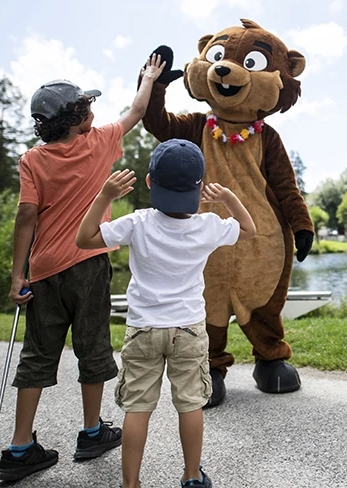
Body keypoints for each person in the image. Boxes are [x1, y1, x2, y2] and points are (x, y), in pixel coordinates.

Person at [0, 54, 166, 482]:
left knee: (37, 353)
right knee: (92, 347)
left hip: (45, 269)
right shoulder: (99, 141)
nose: (94, 111)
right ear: (76, 118)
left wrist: (19, 275)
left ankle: (19, 448)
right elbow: (138, 111)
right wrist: (147, 78)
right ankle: (91, 432)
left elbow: (26, 217)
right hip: (88, 263)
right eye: (87, 106)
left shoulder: (33, 160)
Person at [75, 138, 257, 488]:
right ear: (199, 187)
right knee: (189, 404)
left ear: (149, 182)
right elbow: (249, 229)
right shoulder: (207, 226)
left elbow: (85, 239)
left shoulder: (137, 223)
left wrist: (105, 196)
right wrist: (228, 198)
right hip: (188, 329)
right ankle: (191, 476)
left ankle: (131, 484)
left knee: (137, 408)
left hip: (143, 329)